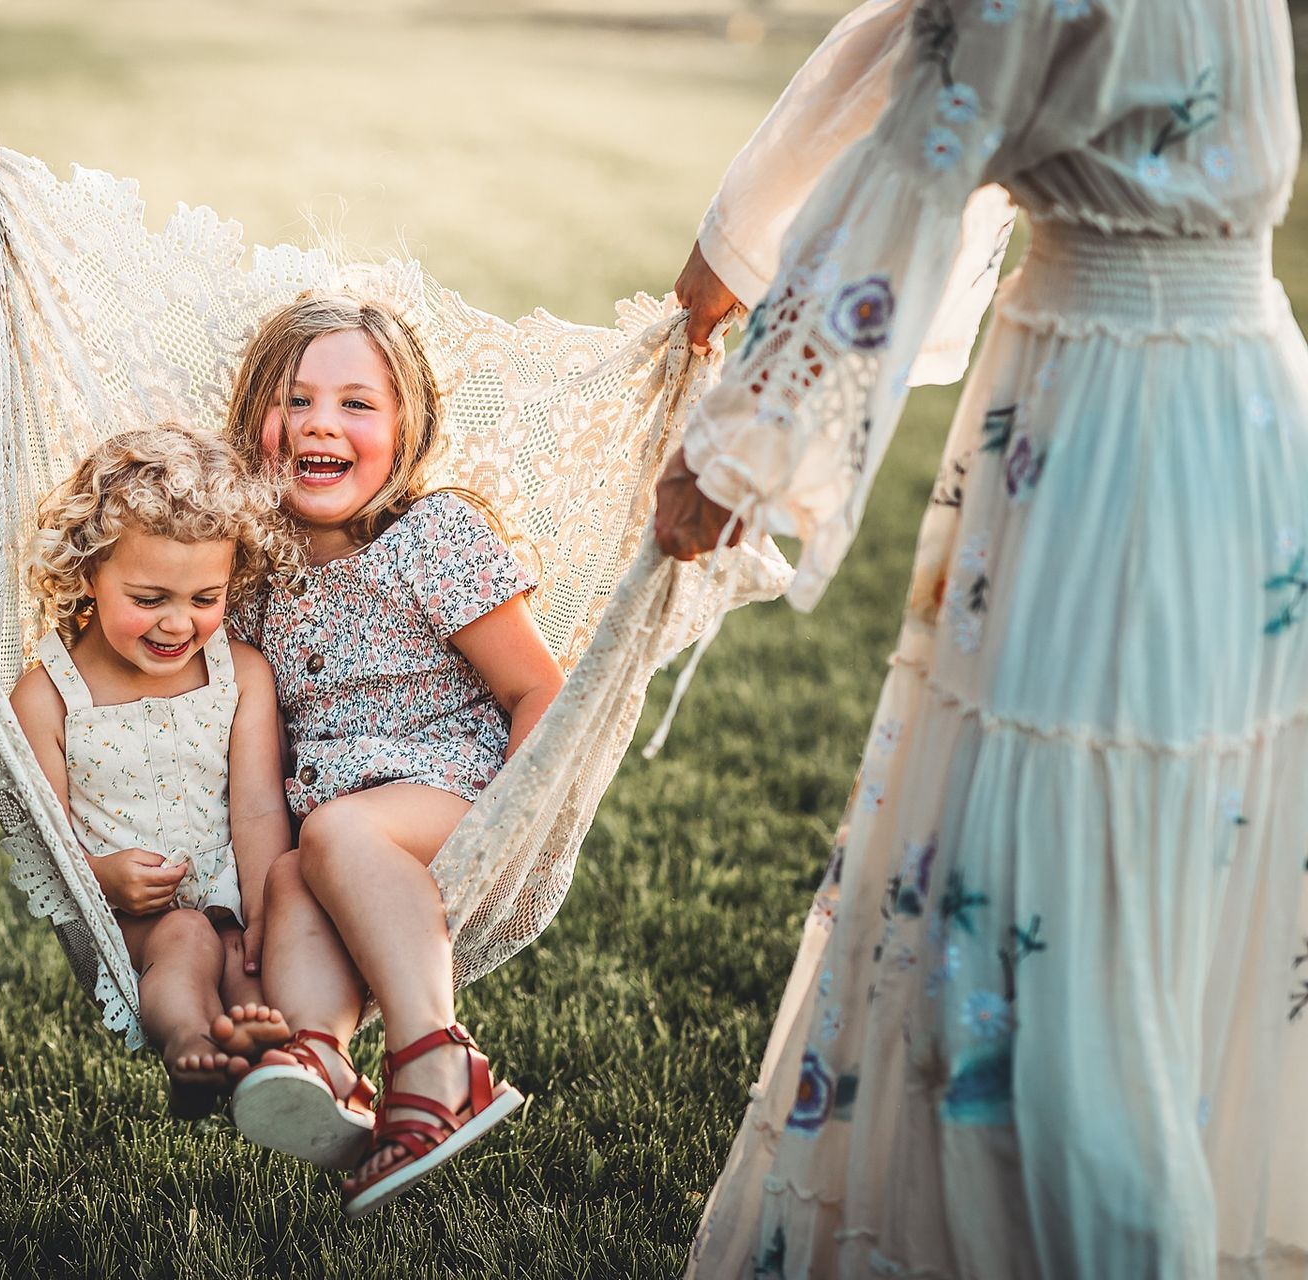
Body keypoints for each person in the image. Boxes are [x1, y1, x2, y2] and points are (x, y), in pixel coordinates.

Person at [653, 1, 1306, 1275]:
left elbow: (923, 152)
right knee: (1172, 848)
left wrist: (747, 443)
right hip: (1242, 399)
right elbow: (920, 49)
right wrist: (732, 246)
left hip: (1114, 431)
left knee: (1052, 902)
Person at [219, 294, 565, 1217]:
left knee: (332, 836)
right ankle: (323, 1063)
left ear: (407, 431)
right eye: (292, 400)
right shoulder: (250, 584)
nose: (319, 423)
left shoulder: (431, 540)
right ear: (254, 422)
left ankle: (440, 1057)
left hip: (460, 796)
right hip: (341, 832)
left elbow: (539, 691)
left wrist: (520, 822)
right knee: (294, 873)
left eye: (356, 404)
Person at [9, 425, 303, 1116]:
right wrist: (103, 878)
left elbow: (258, 809)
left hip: (227, 884)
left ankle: (263, 1050)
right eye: (149, 600)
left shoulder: (241, 675)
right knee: (186, 939)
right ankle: (189, 1046)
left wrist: (263, 915)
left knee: (237, 953)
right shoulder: (49, 694)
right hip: (131, 911)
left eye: (205, 599)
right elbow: (42, 839)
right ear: (88, 574)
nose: (178, 625)